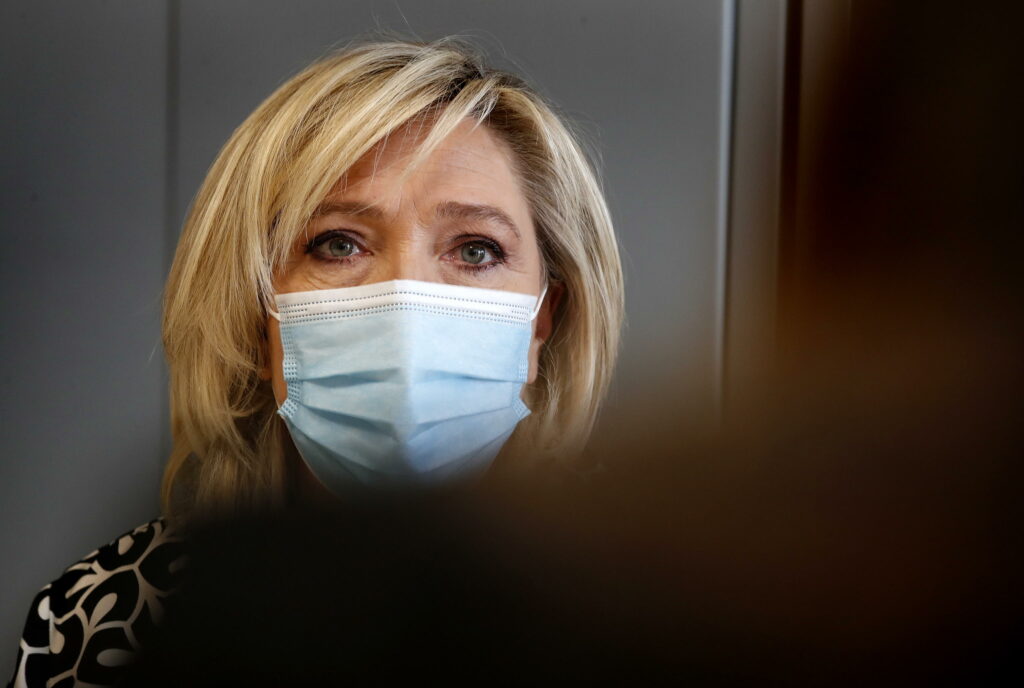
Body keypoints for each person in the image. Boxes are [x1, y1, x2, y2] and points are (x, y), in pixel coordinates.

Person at [6, 36, 624, 688]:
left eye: (475, 251)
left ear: (541, 322)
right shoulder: (115, 620)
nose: (404, 300)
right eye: (338, 244)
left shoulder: (649, 621)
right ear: (256, 313)